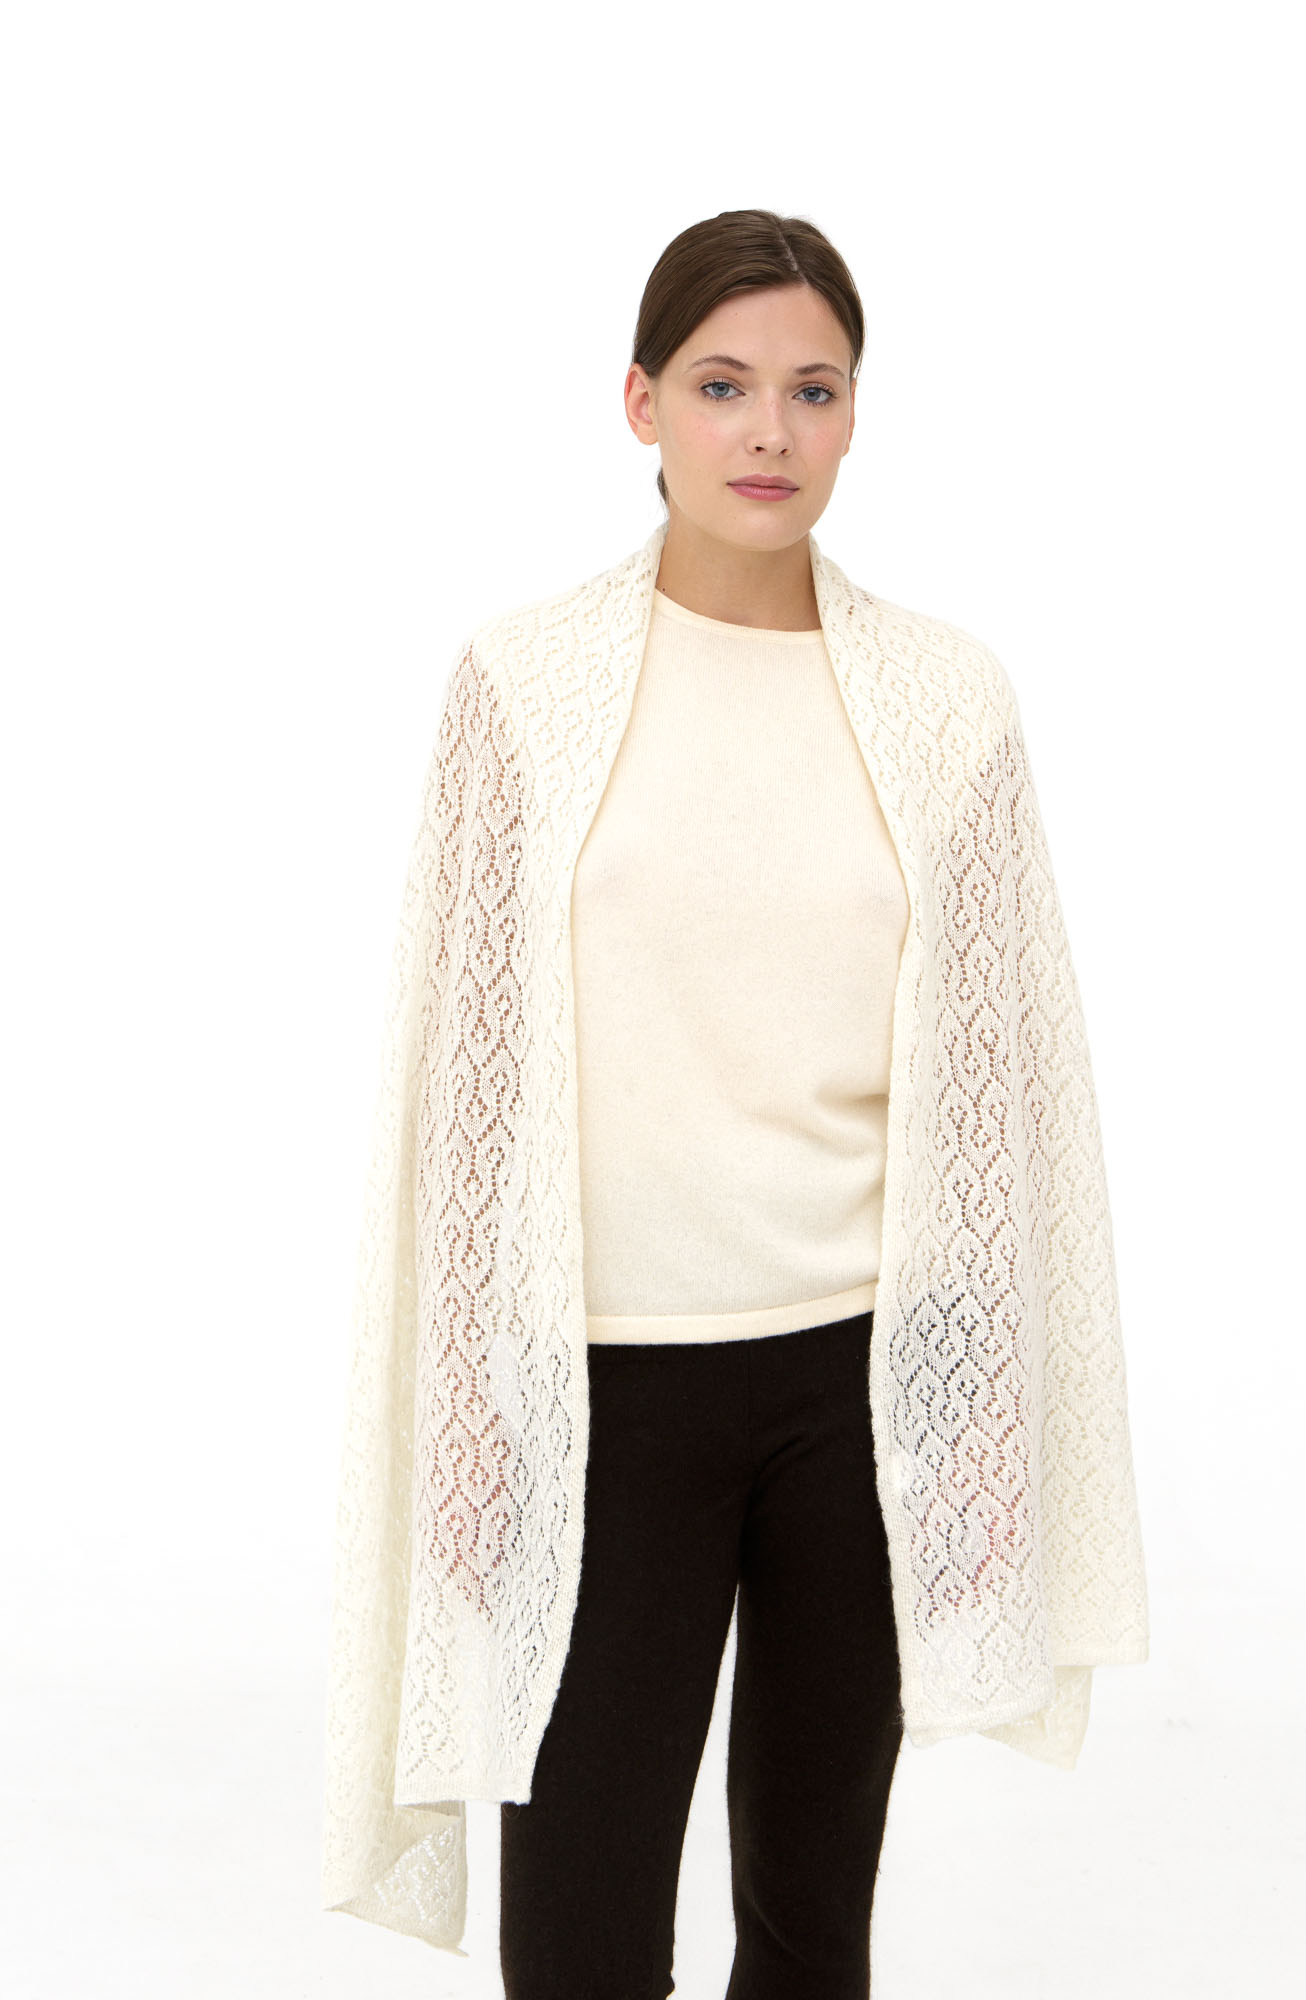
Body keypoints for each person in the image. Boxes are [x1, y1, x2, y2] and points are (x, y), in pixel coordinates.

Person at [321, 207, 1149, 1998]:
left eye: (813, 389)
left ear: (855, 415)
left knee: (809, 1917)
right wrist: (467, 1398)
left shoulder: (947, 698)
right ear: (640, 405)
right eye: (722, 385)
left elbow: (999, 1084)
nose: (770, 431)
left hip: (865, 1378)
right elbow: (464, 1079)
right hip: (597, 1382)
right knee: (582, 1928)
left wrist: (983, 1408)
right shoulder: (522, 686)